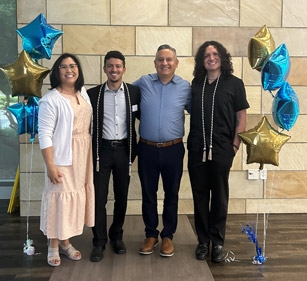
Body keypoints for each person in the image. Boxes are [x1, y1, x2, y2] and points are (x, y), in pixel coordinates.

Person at [187, 41, 249, 262]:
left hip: (223, 149)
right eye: (206, 55)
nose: (210, 57)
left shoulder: (234, 84)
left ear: (222, 57)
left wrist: (234, 145)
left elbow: (241, 116)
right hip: (196, 149)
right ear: (201, 61)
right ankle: (203, 241)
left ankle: (218, 243)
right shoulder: (196, 84)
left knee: (220, 197)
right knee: (200, 196)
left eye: (214, 54)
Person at [133, 44, 191, 257]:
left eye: (169, 59)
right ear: (155, 62)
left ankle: (168, 236)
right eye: (160, 59)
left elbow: (197, 110)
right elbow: (129, 102)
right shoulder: (143, 83)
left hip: (173, 149)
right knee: (148, 194)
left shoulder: (186, 87)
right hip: (146, 149)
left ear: (176, 63)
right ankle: (151, 234)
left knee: (171, 194)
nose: (164, 63)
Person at [38, 53, 95, 267]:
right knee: (58, 197)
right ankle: (53, 244)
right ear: (57, 71)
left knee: (73, 198)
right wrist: (50, 166)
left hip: (82, 156)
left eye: (73, 65)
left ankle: (65, 241)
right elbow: (44, 134)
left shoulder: (84, 94)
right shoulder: (50, 99)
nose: (69, 69)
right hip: (62, 155)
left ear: (78, 70)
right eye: (63, 66)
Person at [87, 51, 140, 262]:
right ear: (104, 69)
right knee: (99, 198)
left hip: (124, 151)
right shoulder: (92, 94)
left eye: (118, 66)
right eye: (110, 66)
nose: (114, 69)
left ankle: (116, 236)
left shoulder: (134, 93)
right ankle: (99, 241)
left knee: (122, 197)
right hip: (102, 152)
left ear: (124, 69)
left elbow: (143, 117)